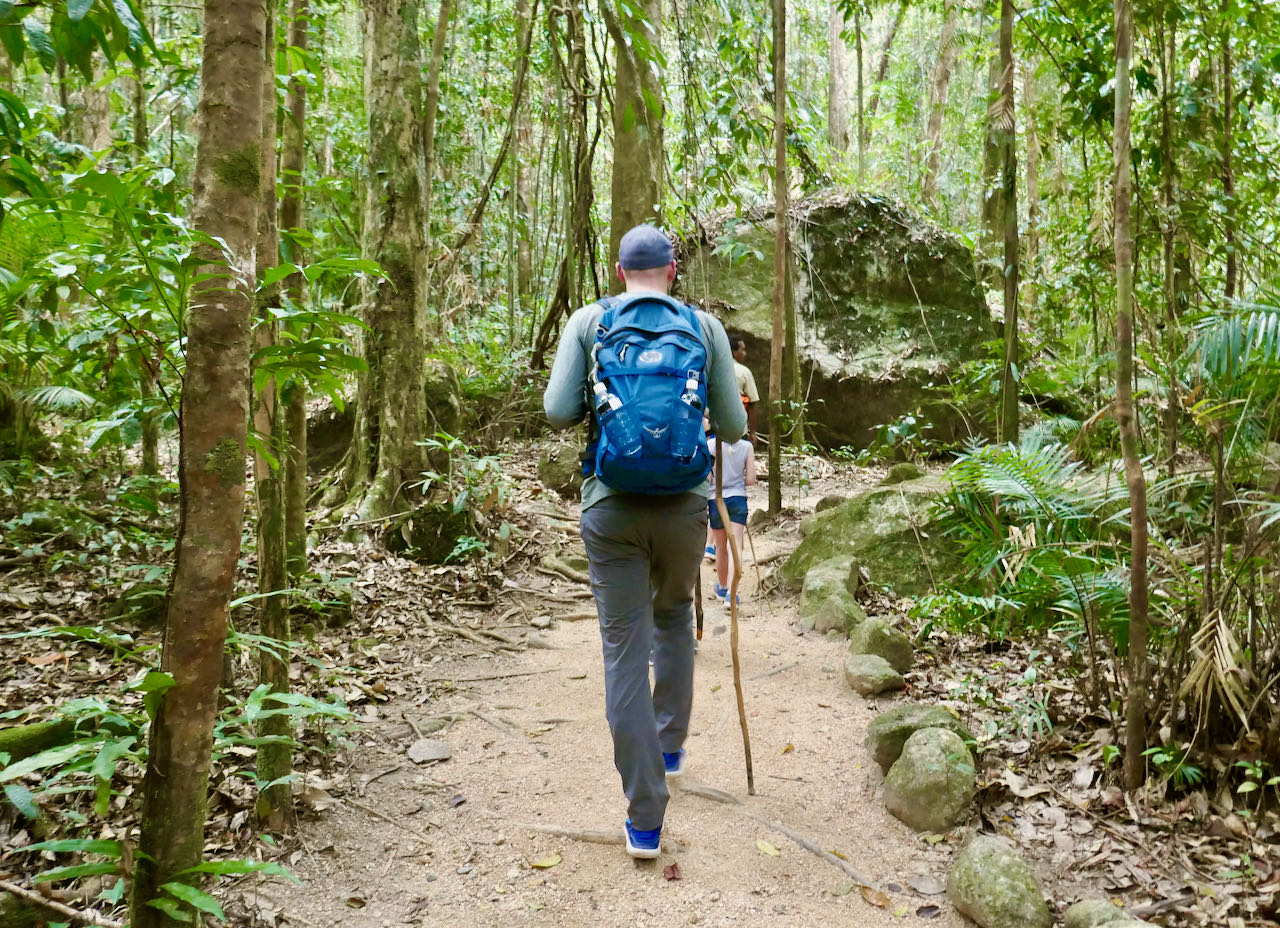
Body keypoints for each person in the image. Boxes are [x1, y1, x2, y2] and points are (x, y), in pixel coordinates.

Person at [543, 224, 747, 860]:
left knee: (622, 648)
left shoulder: (589, 321)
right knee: (673, 619)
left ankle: (645, 819)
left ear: (618, 269)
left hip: (611, 509)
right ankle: (670, 749)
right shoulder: (703, 327)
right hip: (685, 508)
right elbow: (735, 425)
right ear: (674, 270)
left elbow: (556, 410)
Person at [708, 431, 756, 604]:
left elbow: (708, 477)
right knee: (735, 546)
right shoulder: (747, 447)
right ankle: (732, 593)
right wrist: (736, 482)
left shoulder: (710, 445)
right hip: (738, 498)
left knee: (720, 547)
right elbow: (751, 479)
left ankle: (722, 587)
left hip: (716, 498)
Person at [730, 334, 759, 447]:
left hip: (713, 427)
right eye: (742, 350)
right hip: (738, 428)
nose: (745, 353)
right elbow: (752, 403)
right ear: (733, 352)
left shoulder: (714, 369)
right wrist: (752, 433)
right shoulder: (743, 372)